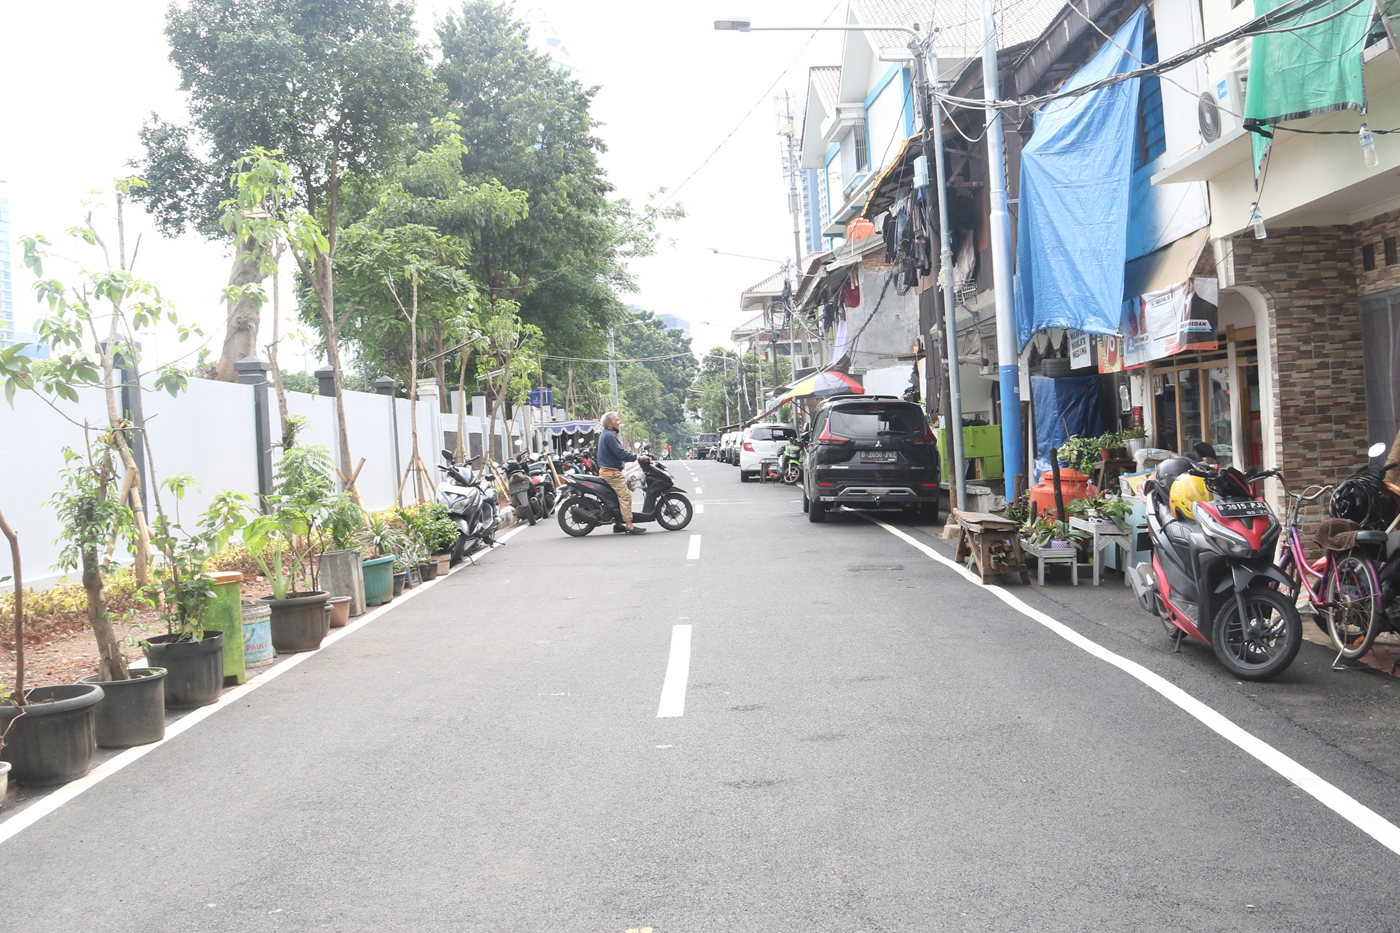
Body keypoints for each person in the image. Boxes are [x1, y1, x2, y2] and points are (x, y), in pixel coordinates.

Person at [597, 411, 648, 534]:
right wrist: (638, 457)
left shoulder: (607, 434)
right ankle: (629, 526)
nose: (619, 423)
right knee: (625, 496)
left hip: (608, 471)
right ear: (609, 424)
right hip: (612, 474)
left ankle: (618, 524)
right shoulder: (609, 435)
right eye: (616, 420)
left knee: (616, 497)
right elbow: (621, 453)